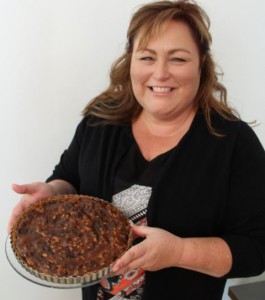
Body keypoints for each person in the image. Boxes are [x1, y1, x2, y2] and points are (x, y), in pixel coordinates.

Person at [8, 0, 265, 299]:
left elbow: (257, 249)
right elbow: (70, 177)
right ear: (130, 60)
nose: (160, 73)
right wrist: (50, 193)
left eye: (178, 59)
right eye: (147, 57)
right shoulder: (99, 123)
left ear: (201, 63)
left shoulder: (234, 144)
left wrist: (178, 252)